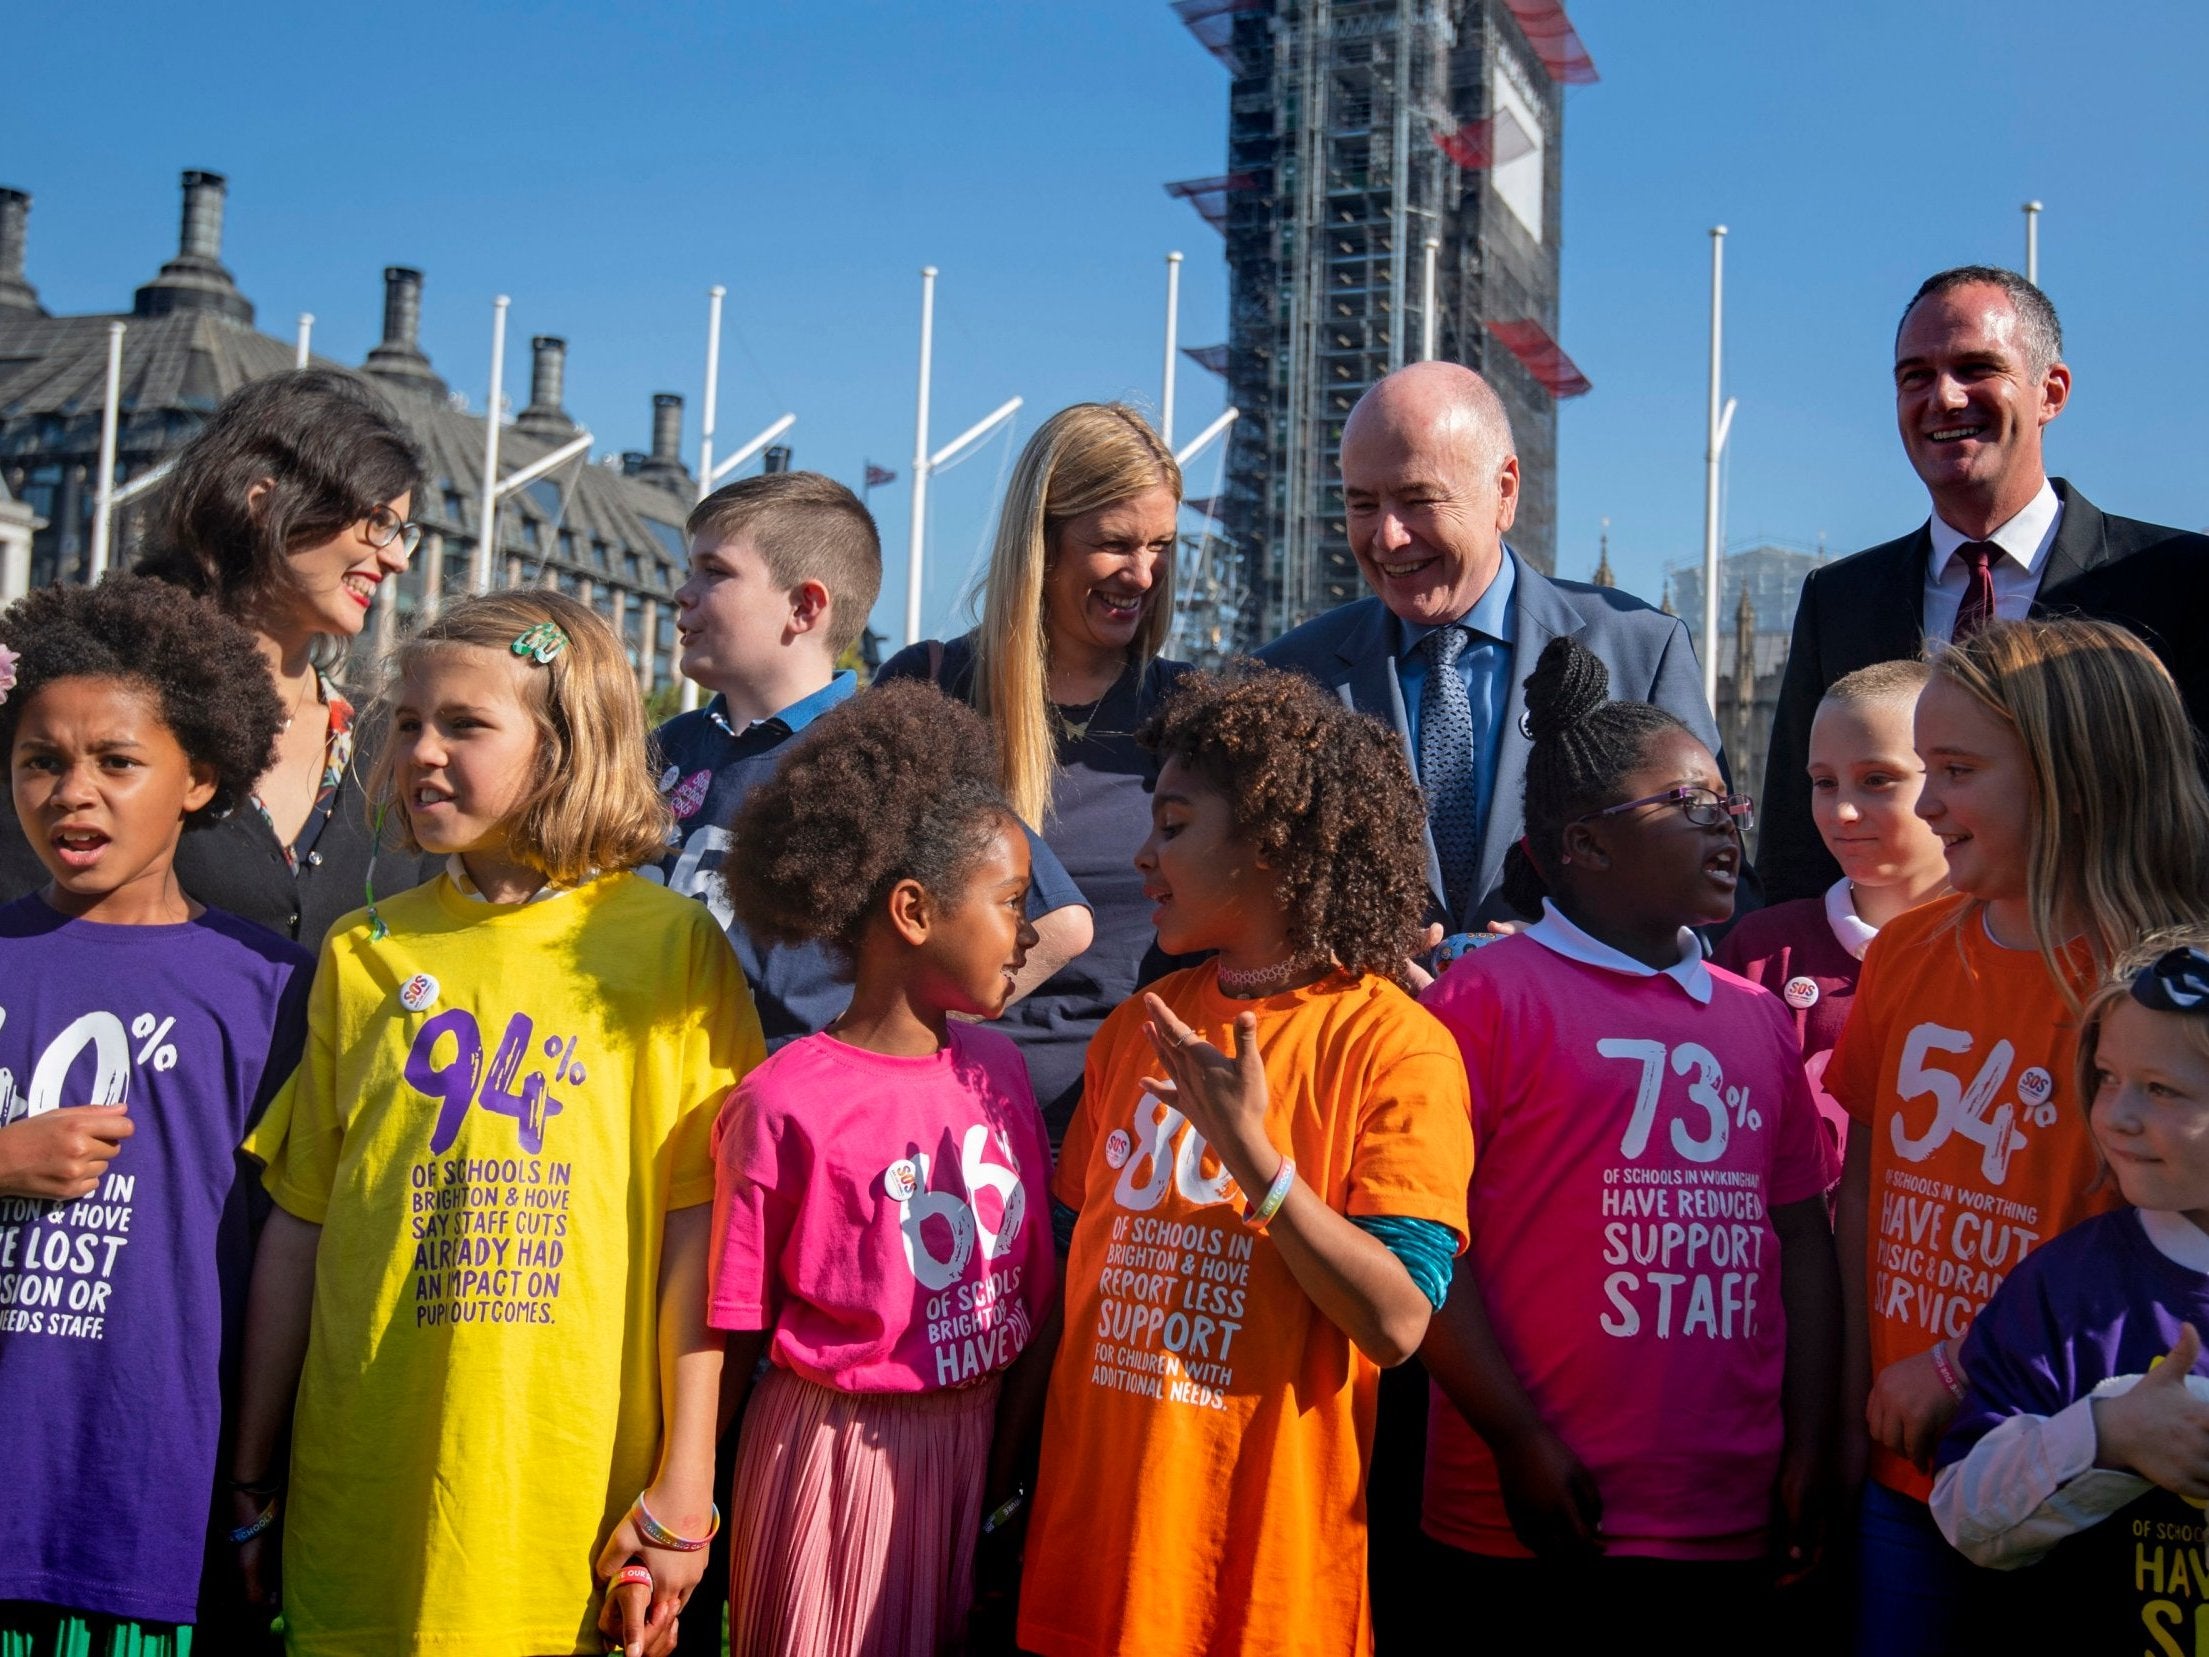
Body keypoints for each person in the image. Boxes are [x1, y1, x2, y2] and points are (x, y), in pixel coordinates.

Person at [230, 592, 765, 1657]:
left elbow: (701, 1239)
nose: (422, 752)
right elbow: (303, 1224)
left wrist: (685, 1484)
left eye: (465, 725)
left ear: (566, 746)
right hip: (361, 1500)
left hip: (569, 1519)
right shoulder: (362, 952)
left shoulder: (669, 948)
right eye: (411, 724)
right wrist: (251, 1473)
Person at [1017, 667, 1475, 1657]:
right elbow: (1067, 1293)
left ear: (1275, 839)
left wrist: (1260, 1168)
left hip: (1259, 1593)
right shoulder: (1138, 1027)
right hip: (1082, 1575)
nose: (1142, 856)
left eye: (1174, 825)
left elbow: (1397, 1322)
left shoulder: (1397, 1045)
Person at [1416, 636, 1838, 1645]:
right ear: (1585, 845)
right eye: (1687, 805)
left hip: (1726, 1523)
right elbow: (1419, 1242)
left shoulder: (1757, 1019)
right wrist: (1513, 1434)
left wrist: (1812, 1442)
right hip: (1522, 1514)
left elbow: (1805, 1247)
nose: (1726, 827)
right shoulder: (1479, 1002)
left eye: (1726, 804)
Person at [1824, 617, 2209, 1654]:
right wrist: (1861, 1395)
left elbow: (2163, 1244)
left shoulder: (2161, 991)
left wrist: (1951, 1366)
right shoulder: (1903, 952)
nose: (1925, 801)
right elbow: (1864, 1191)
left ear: (2072, 780)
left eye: (1955, 768)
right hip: (1903, 1473)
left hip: (2102, 1482)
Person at [707, 680, 1059, 1656]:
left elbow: (1034, 1297)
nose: (1028, 932)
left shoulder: (1000, 1074)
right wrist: (683, 1500)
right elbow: (730, 1329)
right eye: (1010, 902)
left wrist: (1006, 1467)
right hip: (828, 1462)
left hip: (972, 1455)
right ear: (911, 909)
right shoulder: (783, 1101)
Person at [0, 578, 311, 1655]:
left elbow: (297, 1240)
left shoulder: (271, 987)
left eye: (116, 762)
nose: (72, 793)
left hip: (157, 1507)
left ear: (201, 776)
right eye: (42, 760)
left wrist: (259, 1476)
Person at [1759, 267, 2209, 901]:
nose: (1943, 397)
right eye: (1915, 376)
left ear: (2050, 392)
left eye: (1975, 367)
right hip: (1891, 985)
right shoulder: (1840, 599)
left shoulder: (2182, 579)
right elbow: (1794, 841)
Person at [1258, 361, 1726, 937]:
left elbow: (1715, 893)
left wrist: (1577, 961)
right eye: (1362, 505)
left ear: (1503, 491)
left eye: (1418, 499)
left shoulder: (1639, 653)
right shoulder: (1286, 678)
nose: (1387, 536)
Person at [650, 470, 1090, 1050]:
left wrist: (887, 1045)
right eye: (690, 569)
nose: (684, 591)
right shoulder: (662, 747)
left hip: (788, 1106)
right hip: (649, 1090)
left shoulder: (890, 756)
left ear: (805, 606)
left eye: (715, 571)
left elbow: (1062, 925)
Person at [0, 368, 438, 946]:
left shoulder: (395, 742)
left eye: (403, 533)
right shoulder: (94, 709)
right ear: (264, 501)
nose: (397, 561)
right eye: (378, 523)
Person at [879, 403, 1187, 1147]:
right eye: (1114, 544)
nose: (1142, 574)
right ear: (1040, 544)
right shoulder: (927, 686)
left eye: (1161, 546)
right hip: (942, 1131)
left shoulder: (1190, 710)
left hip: (1128, 1139)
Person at [1928, 931, 2209, 1645]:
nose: (2113, 1114)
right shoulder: (2068, 1285)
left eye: (2160, 1088)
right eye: (2107, 1075)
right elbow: (1964, 1512)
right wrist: (2107, 1434)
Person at [1716, 660, 1951, 1170]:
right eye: (1824, 783)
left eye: (1877, 779)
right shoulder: (1761, 952)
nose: (1843, 810)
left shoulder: (2006, 951)